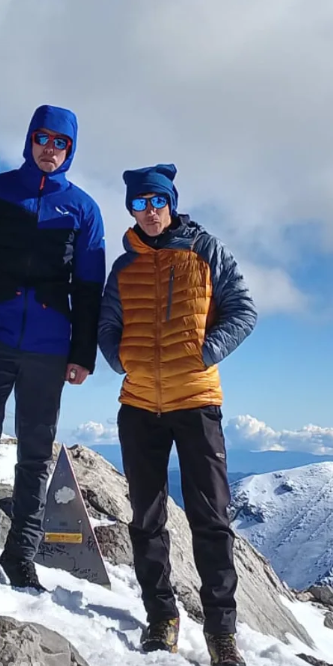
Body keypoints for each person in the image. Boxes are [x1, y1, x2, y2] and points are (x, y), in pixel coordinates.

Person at [0, 104, 106, 591]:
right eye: (42, 138)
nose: (50, 149)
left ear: (71, 149)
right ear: (29, 140)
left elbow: (88, 287)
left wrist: (82, 353)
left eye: (60, 143)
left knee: (36, 450)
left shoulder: (83, 209)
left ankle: (21, 554)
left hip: (50, 346)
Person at [97, 164, 257, 666]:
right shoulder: (124, 266)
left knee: (212, 520)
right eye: (139, 203)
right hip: (139, 405)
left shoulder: (206, 251)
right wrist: (121, 359)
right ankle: (161, 617)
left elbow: (243, 309)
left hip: (196, 402)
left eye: (157, 201)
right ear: (131, 209)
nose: (149, 211)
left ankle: (221, 632)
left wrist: (203, 353)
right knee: (146, 518)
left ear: (171, 203)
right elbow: (107, 322)